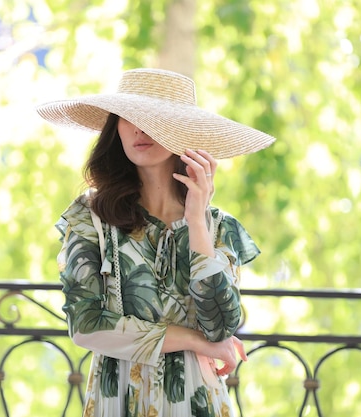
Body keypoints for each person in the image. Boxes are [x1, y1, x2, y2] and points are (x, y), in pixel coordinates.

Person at [36, 68, 275, 417]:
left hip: (197, 401)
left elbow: (221, 327)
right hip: (117, 398)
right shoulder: (91, 216)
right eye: (128, 117)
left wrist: (196, 220)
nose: (139, 129)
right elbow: (86, 325)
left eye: (154, 119)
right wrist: (192, 340)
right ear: (115, 127)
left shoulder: (217, 226)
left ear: (183, 131)